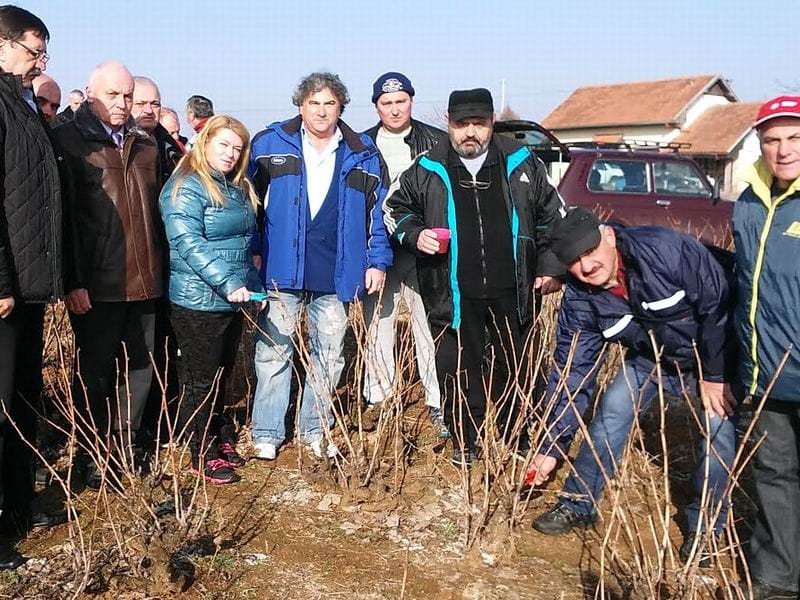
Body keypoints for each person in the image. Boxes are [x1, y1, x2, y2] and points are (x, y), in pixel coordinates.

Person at [529, 208, 738, 562]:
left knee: (718, 433)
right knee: (613, 409)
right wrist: (549, 448)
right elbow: (571, 374)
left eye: (590, 251)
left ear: (608, 236)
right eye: (574, 261)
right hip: (652, 359)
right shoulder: (581, 301)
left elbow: (718, 305)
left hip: (713, 354)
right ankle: (579, 503)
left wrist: (716, 375)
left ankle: (706, 529)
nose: (587, 265)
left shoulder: (664, 250)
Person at [385, 88, 565, 465]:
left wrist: (550, 266)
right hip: (451, 292)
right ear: (449, 124)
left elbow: (553, 216)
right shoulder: (427, 166)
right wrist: (416, 234)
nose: (470, 132)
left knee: (514, 365)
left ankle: (514, 433)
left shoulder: (522, 162)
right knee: (455, 368)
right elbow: (393, 209)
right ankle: (465, 441)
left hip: (513, 289)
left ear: (491, 123)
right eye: (462, 124)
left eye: (479, 124)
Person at [249, 72, 391, 461]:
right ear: (300, 106)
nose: (321, 111)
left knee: (329, 353)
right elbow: (249, 205)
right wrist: (253, 252)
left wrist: (377, 260)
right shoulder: (269, 145)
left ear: (341, 107)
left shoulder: (364, 153)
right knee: (274, 351)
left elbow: (378, 216)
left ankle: (314, 428)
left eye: (329, 103)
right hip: (282, 267)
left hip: (336, 270)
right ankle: (266, 430)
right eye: (314, 103)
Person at [53, 61, 163, 489]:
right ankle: (91, 453)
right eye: (113, 95)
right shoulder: (68, 141)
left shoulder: (148, 144)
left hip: (147, 281)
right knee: (95, 374)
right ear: (90, 92)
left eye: (128, 96)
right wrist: (73, 280)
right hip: (97, 283)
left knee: (140, 371)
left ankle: (125, 449)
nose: (122, 103)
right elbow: (65, 220)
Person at [160, 115, 262, 484]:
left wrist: (251, 283)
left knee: (221, 376)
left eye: (238, 149)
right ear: (205, 143)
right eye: (224, 146)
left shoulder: (235, 186)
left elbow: (243, 246)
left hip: (231, 297)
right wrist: (228, 283)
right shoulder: (186, 187)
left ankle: (218, 437)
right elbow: (188, 242)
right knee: (200, 379)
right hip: (197, 299)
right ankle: (200, 452)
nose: (231, 155)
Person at [0, 4, 61, 568]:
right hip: (4, 286)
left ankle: (17, 506)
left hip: (29, 282)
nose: (39, 61)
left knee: (20, 400)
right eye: (32, 49)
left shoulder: (21, 103)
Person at [733, 96, 800, 600]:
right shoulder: (750, 202)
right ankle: (778, 577)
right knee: (775, 475)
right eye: (773, 139)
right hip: (768, 372)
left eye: (794, 138)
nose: (783, 150)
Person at [361, 72, 447, 433]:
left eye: (401, 102)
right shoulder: (360, 144)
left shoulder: (436, 142)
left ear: (411, 101)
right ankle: (380, 396)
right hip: (378, 248)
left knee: (429, 323)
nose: (395, 110)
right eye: (386, 103)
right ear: (377, 106)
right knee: (377, 322)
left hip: (422, 247)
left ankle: (438, 400)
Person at [131, 76, 183, 448]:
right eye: (141, 103)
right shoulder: (125, 145)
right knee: (135, 354)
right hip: (131, 267)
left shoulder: (171, 149)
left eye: (155, 103)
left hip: (167, 264)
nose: (149, 110)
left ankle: (161, 421)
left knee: (164, 347)